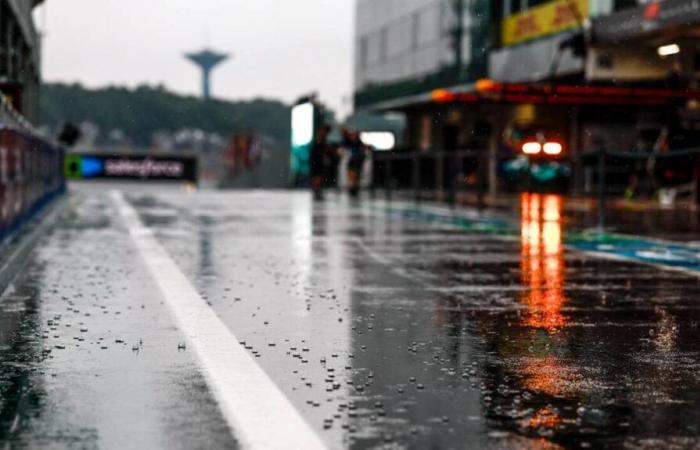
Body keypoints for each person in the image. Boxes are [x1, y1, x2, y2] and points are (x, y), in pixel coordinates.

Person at [342, 130, 368, 198]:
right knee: (352, 176)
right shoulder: (349, 143)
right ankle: (352, 188)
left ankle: (354, 188)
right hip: (352, 162)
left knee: (355, 176)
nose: (353, 137)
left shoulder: (358, 144)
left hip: (356, 162)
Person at [309, 125, 332, 200]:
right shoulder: (320, 138)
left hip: (317, 160)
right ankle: (316, 191)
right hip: (317, 160)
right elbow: (319, 149)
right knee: (317, 177)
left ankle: (317, 191)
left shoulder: (321, 138)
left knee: (318, 177)